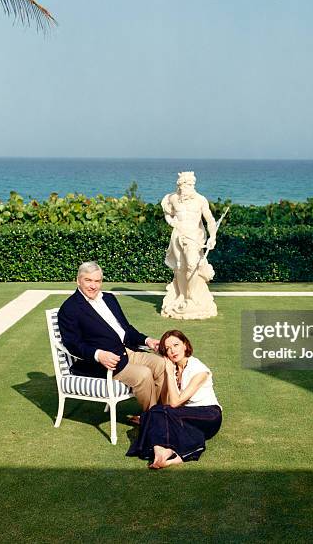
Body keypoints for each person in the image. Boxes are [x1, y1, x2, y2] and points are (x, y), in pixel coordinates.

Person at [57, 261, 164, 412]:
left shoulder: (109, 298)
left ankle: (161, 414)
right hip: (105, 363)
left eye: (97, 281)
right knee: (144, 374)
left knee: (163, 365)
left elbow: (126, 329)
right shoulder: (69, 308)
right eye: (88, 280)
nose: (93, 285)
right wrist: (98, 355)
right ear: (78, 280)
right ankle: (154, 420)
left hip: (127, 351)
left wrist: (147, 340)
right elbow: (72, 344)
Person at [126, 329, 222, 469]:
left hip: (209, 415)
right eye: (168, 349)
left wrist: (169, 372)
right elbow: (166, 404)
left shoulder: (199, 370)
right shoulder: (175, 368)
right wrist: (169, 371)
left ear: (185, 345)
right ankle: (165, 454)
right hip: (187, 417)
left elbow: (175, 403)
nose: (172, 351)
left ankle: (160, 447)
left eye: (176, 345)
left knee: (153, 414)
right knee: (155, 411)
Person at [160, 171, 218, 319]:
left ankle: (192, 297)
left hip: (193, 236)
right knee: (180, 267)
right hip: (177, 234)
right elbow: (168, 212)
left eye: (191, 184)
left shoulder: (200, 200)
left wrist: (213, 237)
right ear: (180, 185)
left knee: (192, 265)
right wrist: (171, 221)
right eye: (186, 184)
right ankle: (181, 295)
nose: (189, 187)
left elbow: (210, 220)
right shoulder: (172, 199)